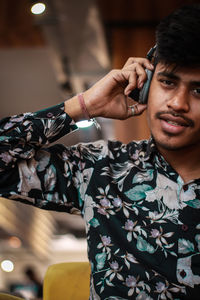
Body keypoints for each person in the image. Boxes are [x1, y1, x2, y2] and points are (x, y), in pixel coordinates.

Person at [0, 3, 200, 299]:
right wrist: (83, 107)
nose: (177, 103)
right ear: (145, 84)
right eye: (168, 82)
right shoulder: (100, 167)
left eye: (199, 91)